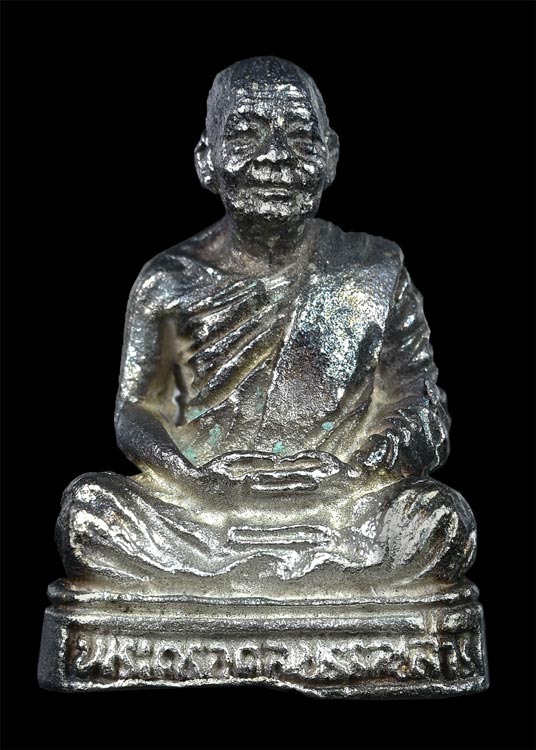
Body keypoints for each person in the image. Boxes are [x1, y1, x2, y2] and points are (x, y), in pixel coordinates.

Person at [57, 57, 476, 585]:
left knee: (441, 522)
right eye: (246, 135)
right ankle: (302, 575)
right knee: (91, 513)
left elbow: (421, 407)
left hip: (340, 508)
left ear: (331, 157)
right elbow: (145, 411)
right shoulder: (173, 282)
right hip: (205, 510)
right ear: (206, 161)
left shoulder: (373, 270)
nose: (275, 156)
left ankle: (242, 577)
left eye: (300, 138)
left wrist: (354, 472)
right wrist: (195, 479)